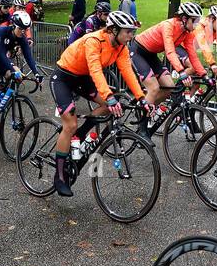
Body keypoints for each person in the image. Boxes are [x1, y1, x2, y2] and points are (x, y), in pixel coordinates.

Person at [50, 10, 149, 196]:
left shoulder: (120, 47)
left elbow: (127, 72)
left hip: (82, 78)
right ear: (113, 30)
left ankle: (80, 133)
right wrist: (109, 96)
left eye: (132, 32)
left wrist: (141, 97)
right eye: (127, 31)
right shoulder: (94, 41)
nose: (131, 36)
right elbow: (96, 71)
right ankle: (59, 176)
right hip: (63, 77)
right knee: (70, 124)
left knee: (106, 106)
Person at [131, 2, 209, 131]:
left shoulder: (187, 32)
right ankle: (142, 129)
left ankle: (144, 107)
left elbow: (192, 55)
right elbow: (170, 52)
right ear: (184, 18)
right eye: (194, 20)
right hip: (138, 51)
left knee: (170, 87)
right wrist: (182, 72)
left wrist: (203, 74)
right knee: (154, 88)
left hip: (151, 54)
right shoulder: (168, 26)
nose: (196, 24)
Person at [0, 9, 41, 109]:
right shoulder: (1, 32)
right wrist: (13, 67)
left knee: (14, 77)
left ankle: (2, 97)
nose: (23, 32)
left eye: (25, 29)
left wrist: (37, 73)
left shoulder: (21, 38)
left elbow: (28, 56)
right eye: (21, 29)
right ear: (13, 26)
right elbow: (1, 54)